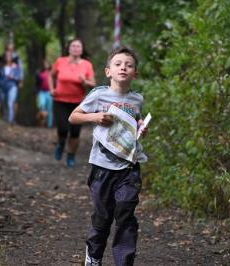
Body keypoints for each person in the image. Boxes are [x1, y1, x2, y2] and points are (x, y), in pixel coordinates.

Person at [68, 47, 148, 266]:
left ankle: (124, 261)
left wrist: (141, 126)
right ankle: (93, 256)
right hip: (102, 168)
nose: (124, 67)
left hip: (128, 167)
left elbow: (135, 121)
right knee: (103, 217)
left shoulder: (136, 99)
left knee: (125, 211)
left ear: (135, 73)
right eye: (118, 64)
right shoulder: (98, 94)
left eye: (129, 65)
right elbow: (73, 117)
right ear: (108, 71)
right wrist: (95, 117)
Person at [49, 38, 96, 167]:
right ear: (68, 48)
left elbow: (93, 84)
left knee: (75, 132)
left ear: (82, 49)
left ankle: (71, 156)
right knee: (63, 129)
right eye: (73, 46)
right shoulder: (60, 61)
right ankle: (61, 144)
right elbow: (51, 75)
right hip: (60, 100)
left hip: (78, 103)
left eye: (78, 46)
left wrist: (84, 82)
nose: (75, 48)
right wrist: (52, 89)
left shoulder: (87, 64)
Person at [0, 51, 22, 124]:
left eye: (9, 56)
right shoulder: (0, 67)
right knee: (3, 103)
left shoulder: (15, 66)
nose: (8, 57)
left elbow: (19, 77)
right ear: (4, 57)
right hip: (2, 87)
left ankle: (10, 120)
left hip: (12, 86)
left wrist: (14, 77)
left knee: (10, 103)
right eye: (6, 56)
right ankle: (5, 117)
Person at [36, 60, 53, 128]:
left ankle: (49, 125)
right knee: (41, 105)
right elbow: (37, 84)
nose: (46, 65)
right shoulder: (39, 73)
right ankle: (41, 123)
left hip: (49, 92)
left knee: (49, 109)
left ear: (49, 65)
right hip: (42, 92)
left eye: (47, 64)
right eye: (44, 64)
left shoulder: (52, 73)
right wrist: (37, 92)